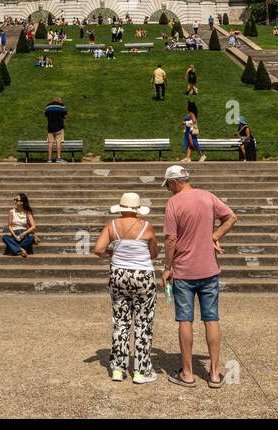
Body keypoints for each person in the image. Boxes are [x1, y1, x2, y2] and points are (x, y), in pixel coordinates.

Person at [161, 165, 236, 387]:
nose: (168, 190)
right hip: (209, 269)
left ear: (175, 182)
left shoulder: (173, 203)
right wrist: (214, 236)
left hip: (184, 270)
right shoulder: (208, 196)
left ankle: (188, 374)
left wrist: (167, 266)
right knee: (211, 319)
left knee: (185, 320)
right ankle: (213, 374)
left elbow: (171, 239)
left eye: (168, 185)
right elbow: (231, 217)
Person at [93, 192, 159, 384]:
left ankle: (117, 369)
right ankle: (141, 371)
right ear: (137, 209)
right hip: (143, 275)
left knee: (120, 321)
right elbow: (154, 253)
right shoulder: (146, 227)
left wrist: (113, 252)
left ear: (121, 208)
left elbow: (98, 249)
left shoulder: (112, 225)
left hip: (119, 275)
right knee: (143, 323)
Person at [2, 193, 37, 257]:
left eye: (17, 200)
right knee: (5, 237)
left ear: (22, 202)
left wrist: (23, 234)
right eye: (14, 199)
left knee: (32, 238)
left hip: (24, 234)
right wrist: (14, 235)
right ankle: (21, 249)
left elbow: (33, 226)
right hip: (14, 234)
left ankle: (15, 249)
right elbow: (9, 225)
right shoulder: (11, 211)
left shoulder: (27, 212)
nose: (15, 201)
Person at [45, 97, 68, 163]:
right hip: (59, 127)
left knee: (50, 142)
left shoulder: (48, 106)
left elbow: (46, 115)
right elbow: (65, 116)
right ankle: (58, 158)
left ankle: (49, 159)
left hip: (50, 127)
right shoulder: (61, 106)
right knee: (59, 142)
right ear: (59, 101)